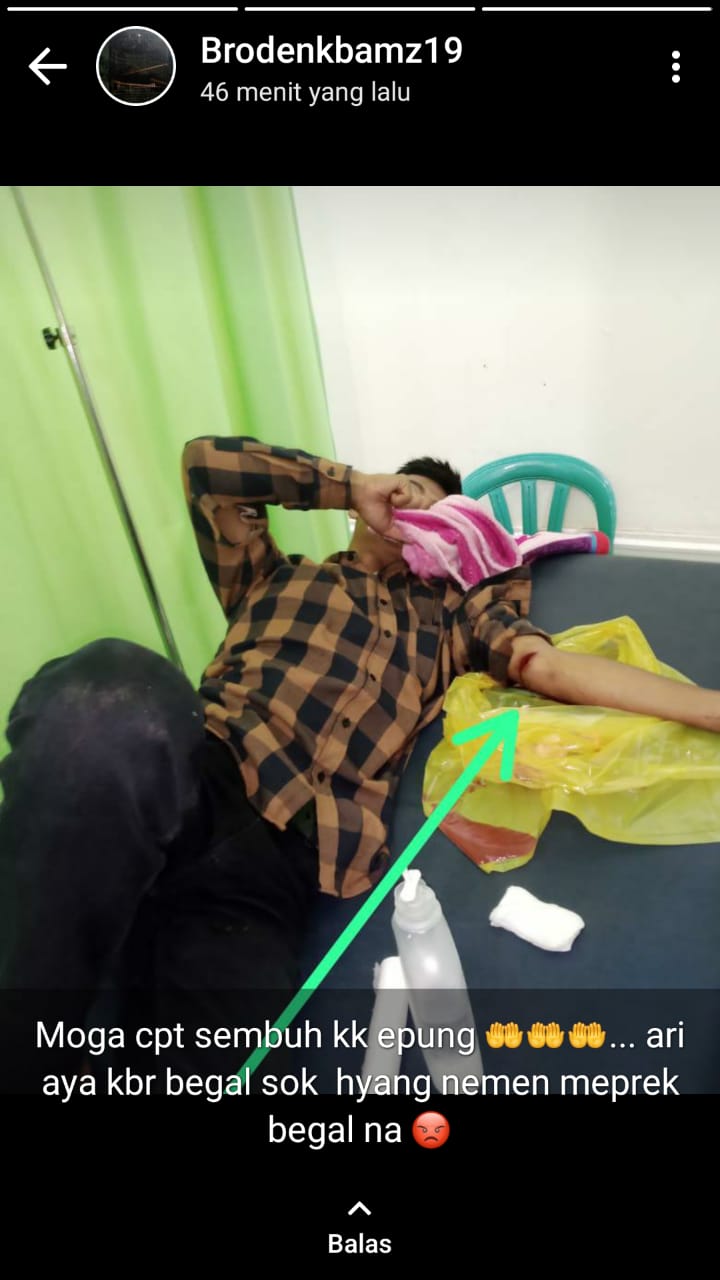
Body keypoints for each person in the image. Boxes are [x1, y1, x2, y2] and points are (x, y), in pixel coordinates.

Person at [2, 436, 719, 1088]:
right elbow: (206, 466)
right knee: (110, 698)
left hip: (277, 872)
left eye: (436, 510)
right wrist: (349, 484)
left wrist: (709, 709)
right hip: (203, 772)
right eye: (405, 491)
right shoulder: (271, 576)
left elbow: (550, 667)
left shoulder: (452, 623)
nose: (412, 510)